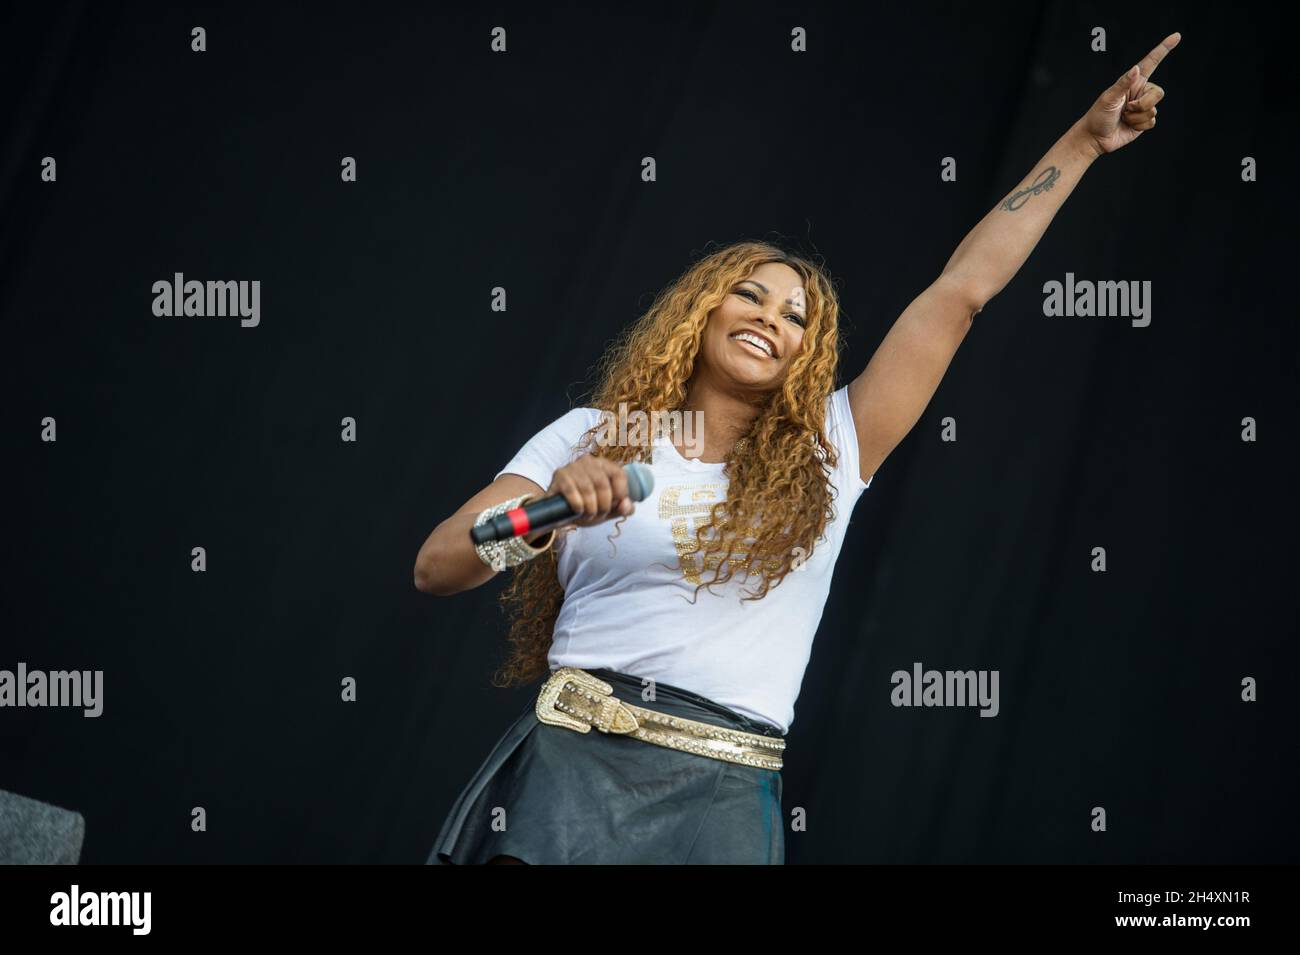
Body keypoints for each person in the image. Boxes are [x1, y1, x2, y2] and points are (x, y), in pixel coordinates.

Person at [413, 33, 1180, 864]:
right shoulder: (595, 434)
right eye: (749, 295)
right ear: (699, 314)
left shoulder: (837, 444)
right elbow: (438, 564)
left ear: (805, 353)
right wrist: (545, 512)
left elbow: (962, 291)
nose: (769, 318)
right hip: (568, 775)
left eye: (795, 317)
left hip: (722, 802)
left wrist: (1084, 142)